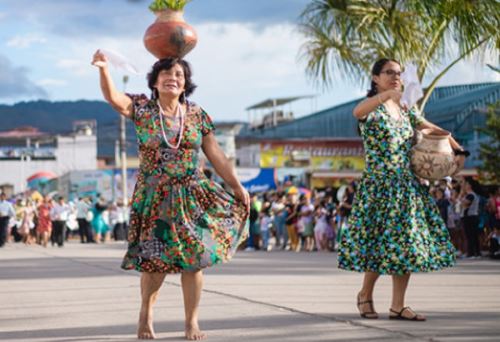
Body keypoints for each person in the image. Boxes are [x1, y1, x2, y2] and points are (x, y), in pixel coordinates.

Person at [92, 51, 249, 340]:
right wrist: (104, 69)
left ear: (185, 82)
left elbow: (215, 153)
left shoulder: (197, 114)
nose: (172, 78)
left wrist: (237, 185)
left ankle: (191, 322)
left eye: (178, 75)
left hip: (192, 195)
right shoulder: (142, 108)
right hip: (155, 197)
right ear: (155, 81)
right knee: (154, 263)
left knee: (195, 259)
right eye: (166, 74)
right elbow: (114, 99)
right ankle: (146, 314)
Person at [338, 58, 462, 321]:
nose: (395, 77)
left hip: (405, 185)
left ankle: (398, 305)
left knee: (405, 245)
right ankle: (365, 293)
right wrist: (386, 96)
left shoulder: (406, 108)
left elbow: (429, 127)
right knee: (379, 244)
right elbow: (357, 113)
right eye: (388, 72)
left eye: (398, 73)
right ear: (375, 78)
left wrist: (457, 146)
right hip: (379, 185)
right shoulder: (373, 108)